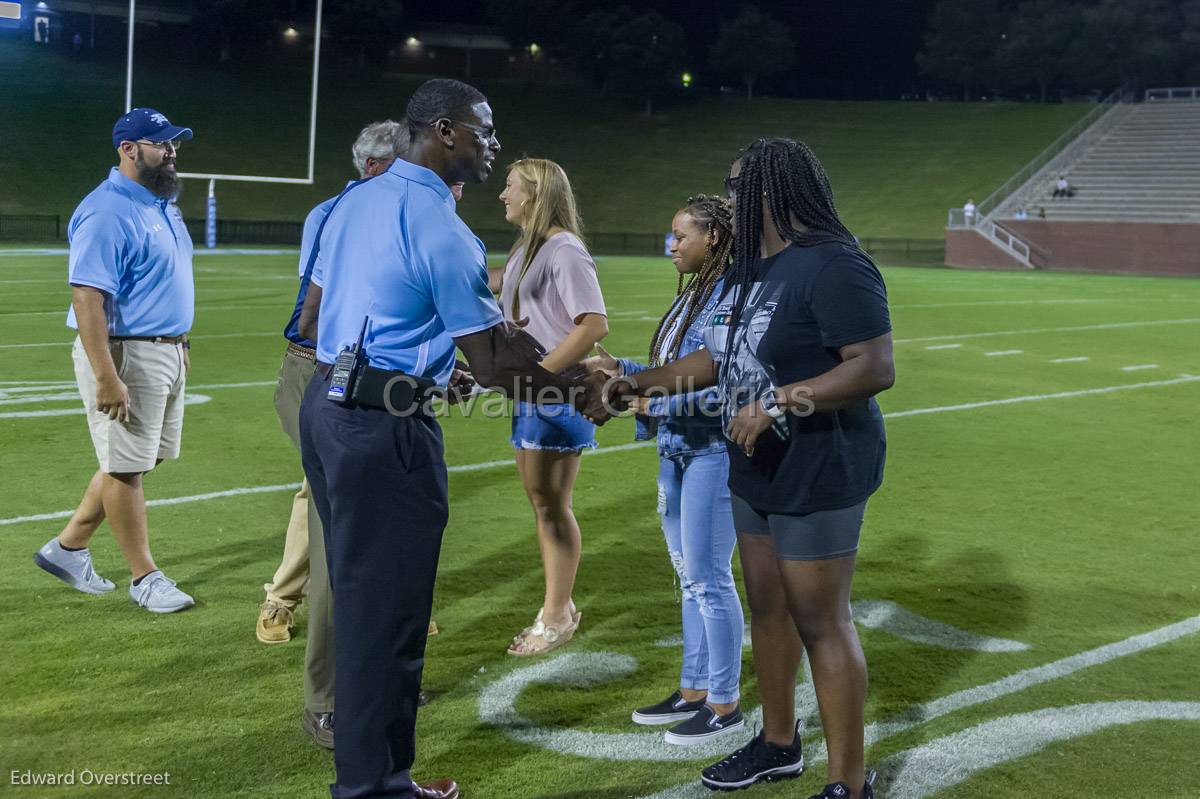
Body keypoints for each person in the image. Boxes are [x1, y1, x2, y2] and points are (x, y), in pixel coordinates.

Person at [297, 78, 603, 799]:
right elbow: (497, 363)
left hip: (329, 403)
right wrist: (587, 390)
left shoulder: (351, 199)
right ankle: (374, 787)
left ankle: (375, 776)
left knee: (364, 599)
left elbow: (314, 318)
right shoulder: (441, 224)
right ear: (444, 131)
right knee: (388, 615)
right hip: (381, 427)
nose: (493, 144)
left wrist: (431, 366)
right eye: (484, 131)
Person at [584, 138, 894, 799]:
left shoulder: (835, 264)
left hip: (820, 465)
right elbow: (717, 358)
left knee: (821, 619)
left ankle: (848, 783)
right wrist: (637, 386)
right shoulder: (749, 270)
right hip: (754, 464)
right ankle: (779, 743)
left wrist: (781, 399)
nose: (728, 199)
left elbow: (872, 366)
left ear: (775, 191)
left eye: (736, 187)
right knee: (767, 608)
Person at [255, 120, 407, 751]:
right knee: (338, 532)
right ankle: (328, 699)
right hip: (330, 373)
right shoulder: (350, 211)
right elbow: (331, 311)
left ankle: (373, 675)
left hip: (359, 375)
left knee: (371, 532)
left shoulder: (369, 207)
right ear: (380, 167)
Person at [588, 195, 746, 745]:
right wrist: (623, 370)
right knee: (688, 577)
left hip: (711, 452)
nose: (671, 244)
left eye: (682, 235)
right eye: (671, 234)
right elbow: (670, 373)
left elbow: (729, 386)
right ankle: (695, 688)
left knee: (709, 577)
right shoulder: (692, 295)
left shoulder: (730, 296)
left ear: (715, 239)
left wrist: (648, 398)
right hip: (677, 451)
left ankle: (725, 703)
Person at [34, 108, 196, 614]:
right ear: (128, 149)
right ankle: (144, 577)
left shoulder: (160, 203)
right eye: (160, 144)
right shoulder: (107, 209)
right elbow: (87, 296)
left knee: (140, 459)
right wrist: (106, 374)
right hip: (126, 351)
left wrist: (179, 343)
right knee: (127, 468)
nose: (171, 152)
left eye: (174, 144)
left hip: (165, 349)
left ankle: (69, 546)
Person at [494, 158, 608, 656]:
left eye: (511, 187)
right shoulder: (528, 247)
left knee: (550, 504)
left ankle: (558, 613)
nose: (503, 195)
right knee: (541, 503)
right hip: (532, 395)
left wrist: (542, 378)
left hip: (555, 396)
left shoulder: (564, 248)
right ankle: (557, 606)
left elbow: (592, 323)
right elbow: (506, 296)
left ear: (535, 195)